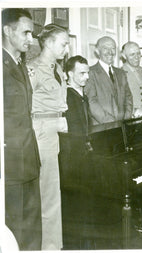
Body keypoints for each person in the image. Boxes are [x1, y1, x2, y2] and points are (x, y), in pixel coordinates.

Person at [2, 8, 42, 250]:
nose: (31, 39)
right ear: (7, 30)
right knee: (14, 231)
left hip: (28, 159)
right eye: (26, 32)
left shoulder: (19, 63)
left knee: (31, 228)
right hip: (9, 163)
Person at [27, 23, 69, 250]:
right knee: (48, 193)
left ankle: (54, 243)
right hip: (43, 130)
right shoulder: (32, 68)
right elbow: (25, 105)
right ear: (49, 42)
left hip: (58, 128)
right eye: (63, 44)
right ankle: (49, 247)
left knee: (56, 191)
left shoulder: (58, 68)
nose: (66, 48)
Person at [85, 36, 133, 124]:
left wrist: (126, 119)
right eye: (105, 48)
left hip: (122, 126)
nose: (110, 52)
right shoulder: (90, 73)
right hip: (102, 127)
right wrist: (111, 122)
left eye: (113, 48)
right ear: (97, 51)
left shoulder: (121, 73)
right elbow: (91, 102)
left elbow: (128, 97)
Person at [65, 55, 90, 136]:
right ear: (70, 74)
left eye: (87, 73)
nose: (87, 77)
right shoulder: (65, 94)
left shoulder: (83, 93)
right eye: (82, 73)